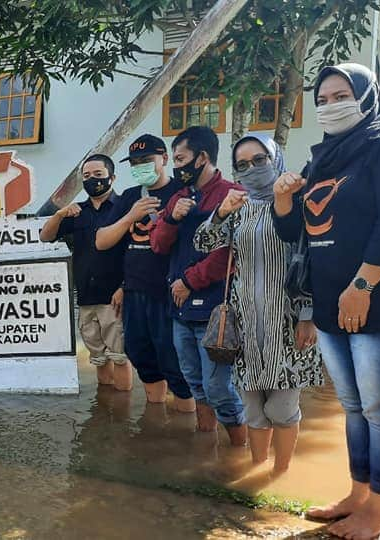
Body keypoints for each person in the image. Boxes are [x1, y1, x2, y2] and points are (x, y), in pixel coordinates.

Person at [273, 63, 380, 539]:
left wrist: (363, 286)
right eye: (322, 99)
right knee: (352, 407)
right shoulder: (321, 160)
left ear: (367, 96)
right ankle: (357, 492)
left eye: (340, 95)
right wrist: (284, 199)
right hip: (329, 303)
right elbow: (294, 233)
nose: (329, 106)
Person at [195, 134, 323, 474]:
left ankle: (280, 475)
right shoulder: (239, 209)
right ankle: (256, 472)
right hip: (246, 320)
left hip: (289, 318)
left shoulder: (300, 204)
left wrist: (309, 315)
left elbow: (313, 260)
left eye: (259, 160)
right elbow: (203, 242)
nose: (251, 169)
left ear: (275, 159)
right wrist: (221, 212)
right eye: (242, 165)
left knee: (282, 407)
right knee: (252, 406)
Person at [148, 126, 246, 445]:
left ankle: (241, 451)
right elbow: (158, 246)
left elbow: (230, 253)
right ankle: (207, 450)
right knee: (194, 382)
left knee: (218, 386)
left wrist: (190, 281)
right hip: (180, 310)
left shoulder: (231, 194)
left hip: (216, 309)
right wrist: (172, 219)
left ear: (202, 157)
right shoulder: (179, 196)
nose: (176, 167)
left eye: (181, 159)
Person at [95, 135, 195, 410]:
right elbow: (102, 241)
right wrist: (130, 215)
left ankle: (189, 428)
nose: (140, 167)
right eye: (135, 163)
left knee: (173, 360)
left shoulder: (182, 193)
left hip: (169, 292)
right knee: (141, 355)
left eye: (146, 160)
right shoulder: (129, 197)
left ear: (163, 159)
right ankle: (156, 426)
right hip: (135, 291)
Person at [41, 154, 132, 392]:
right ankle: (105, 411)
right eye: (87, 176)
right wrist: (60, 214)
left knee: (120, 356)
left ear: (112, 177)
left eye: (98, 175)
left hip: (115, 297)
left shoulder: (125, 208)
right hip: (85, 296)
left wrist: (125, 287)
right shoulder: (77, 212)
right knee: (98, 358)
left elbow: (136, 252)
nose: (92, 180)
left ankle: (123, 418)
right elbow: (45, 236)